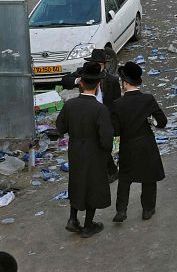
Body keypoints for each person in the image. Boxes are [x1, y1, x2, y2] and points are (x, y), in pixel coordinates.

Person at [55, 62, 113, 238]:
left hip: (75, 150)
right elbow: (106, 139)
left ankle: (72, 219)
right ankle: (88, 225)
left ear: (81, 83)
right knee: (93, 185)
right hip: (94, 152)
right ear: (97, 85)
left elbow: (60, 127)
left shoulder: (70, 105)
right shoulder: (100, 109)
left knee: (77, 182)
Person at [111, 62, 167, 223]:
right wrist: (151, 121)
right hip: (146, 143)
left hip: (128, 144)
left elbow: (115, 130)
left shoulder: (117, 104)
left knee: (125, 178)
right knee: (149, 177)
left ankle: (121, 210)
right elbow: (162, 121)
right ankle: (147, 209)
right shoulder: (147, 99)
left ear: (125, 83)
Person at [60, 48, 120, 183]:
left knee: (103, 145)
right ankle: (106, 171)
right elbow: (65, 80)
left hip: (105, 116)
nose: (97, 67)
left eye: (100, 64)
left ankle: (110, 171)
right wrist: (78, 80)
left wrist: (116, 124)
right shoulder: (84, 73)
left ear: (104, 65)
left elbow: (116, 104)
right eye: (95, 63)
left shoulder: (112, 80)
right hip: (87, 115)